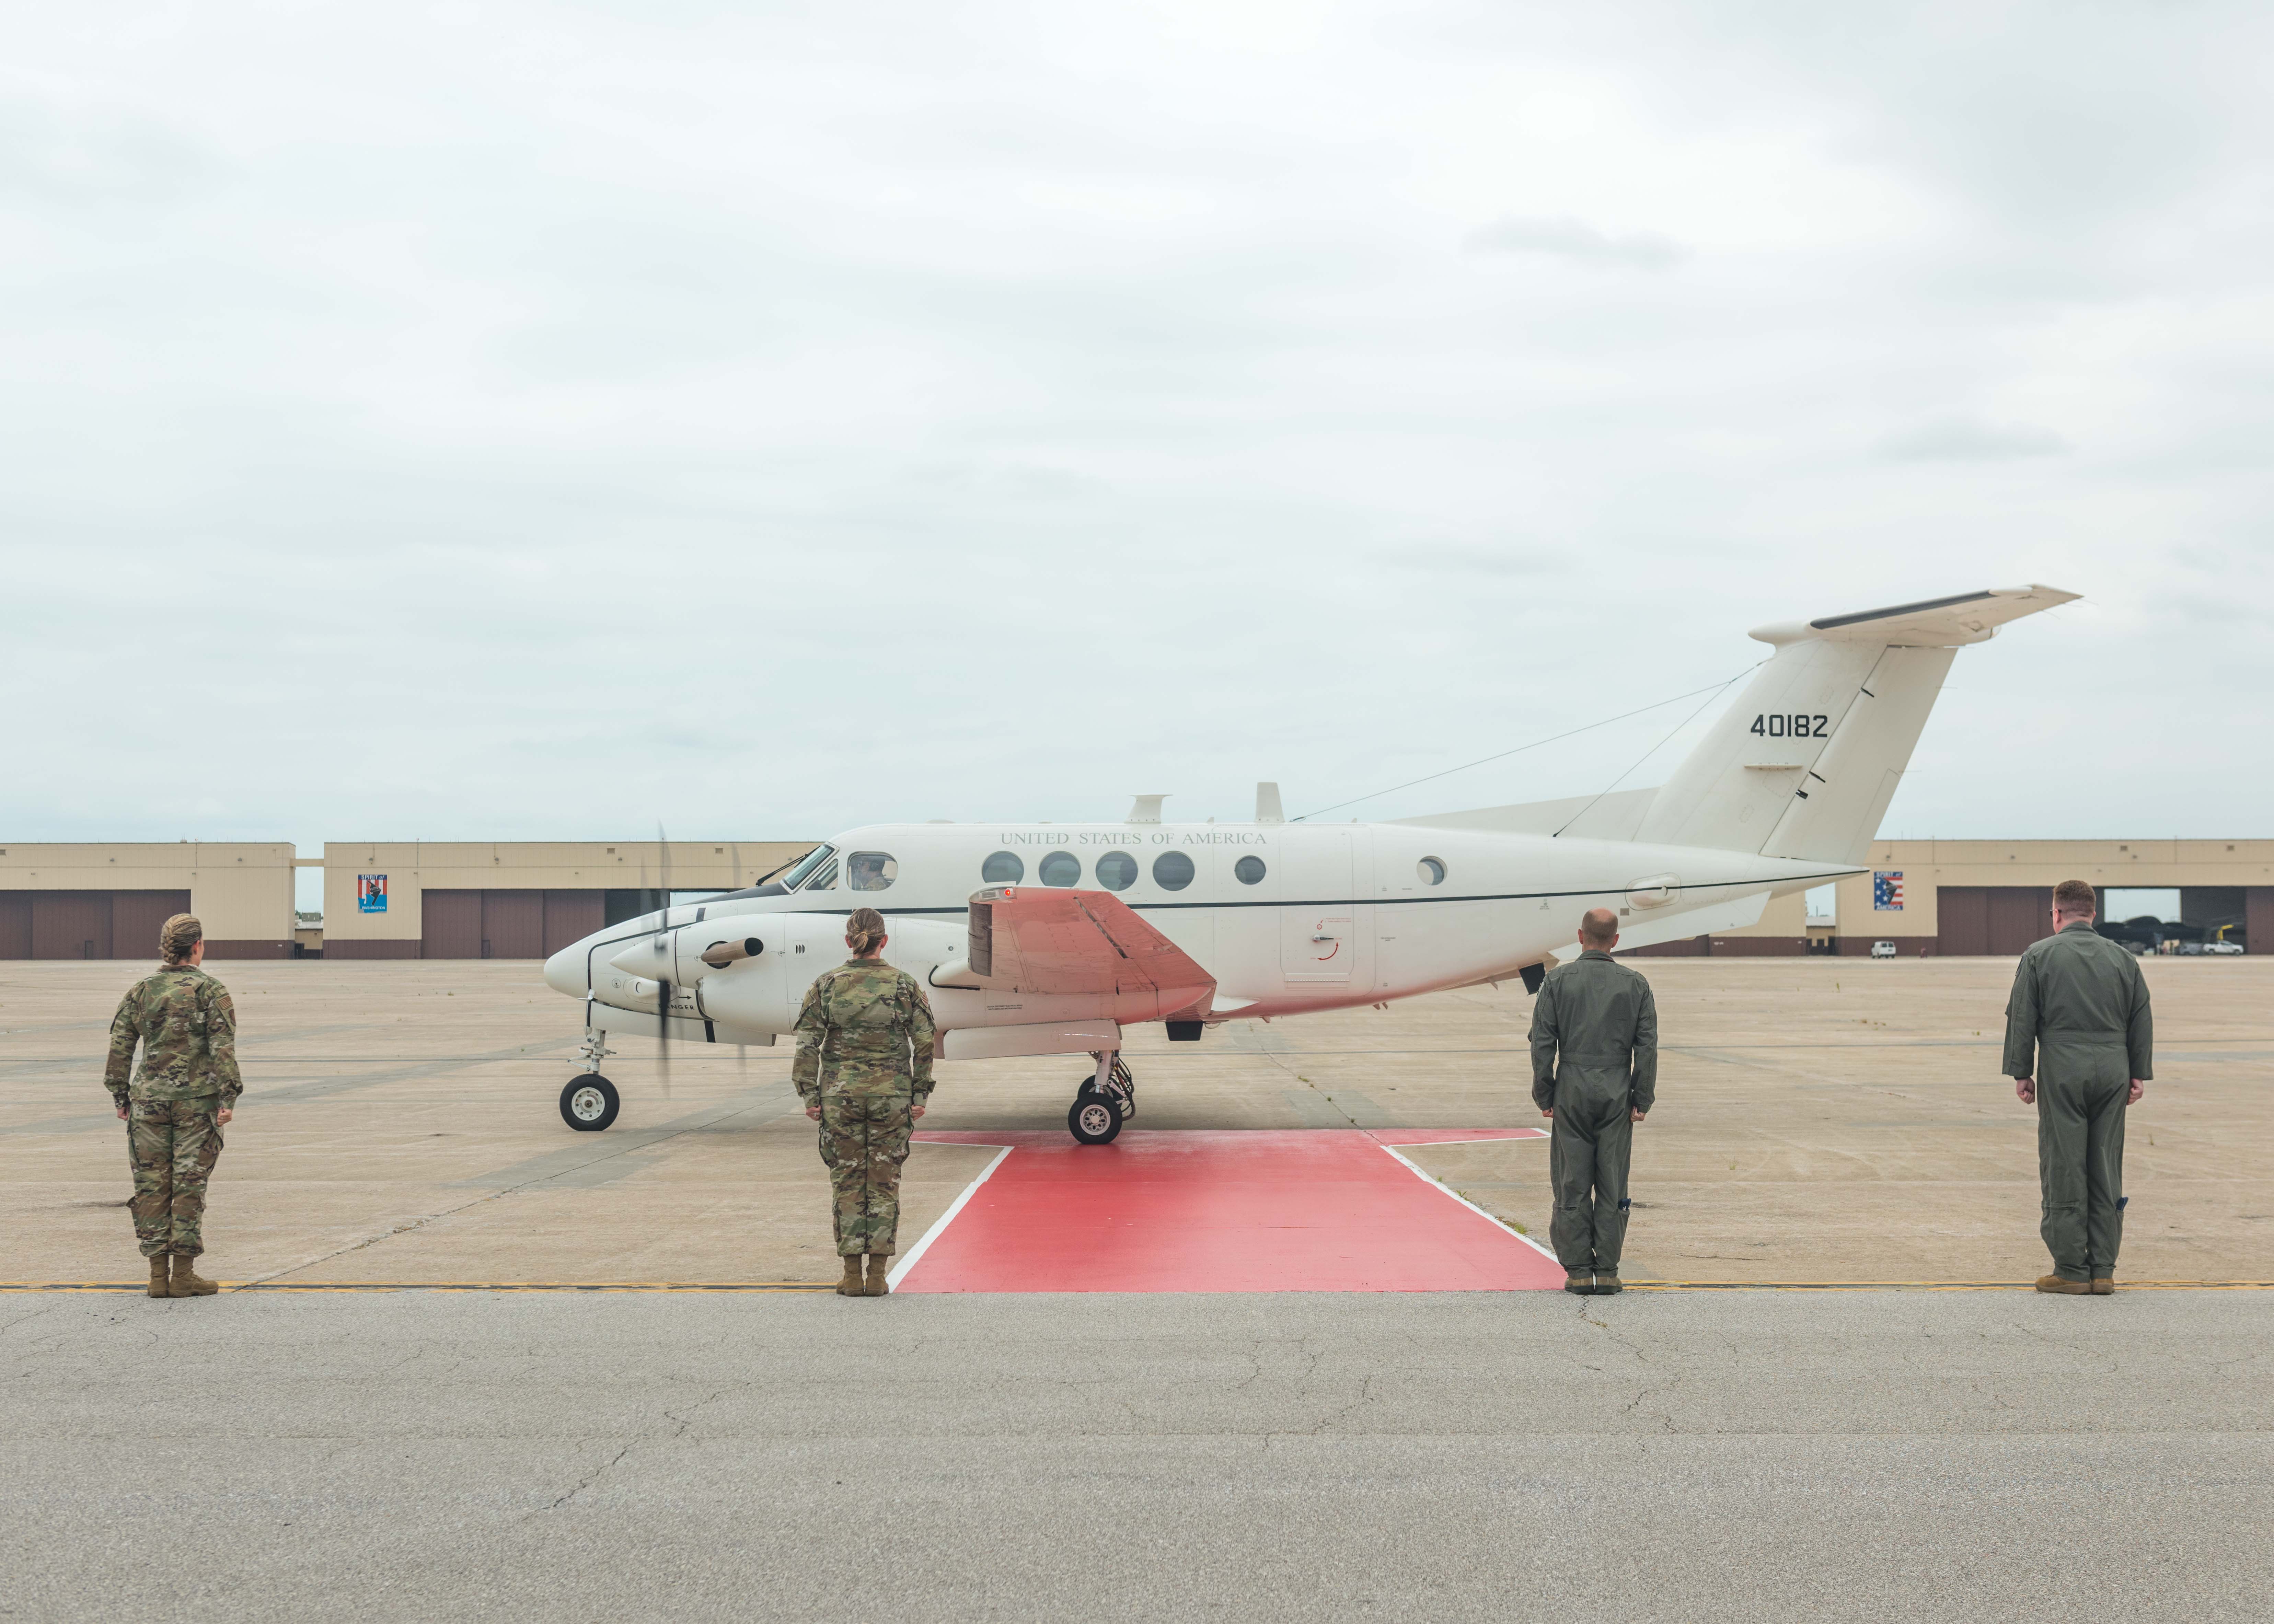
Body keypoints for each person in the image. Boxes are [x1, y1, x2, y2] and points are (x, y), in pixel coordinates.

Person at [2004, 880, 2152, 1295]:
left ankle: (2070, 1268)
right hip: (2114, 1068)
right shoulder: (2124, 959)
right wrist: (2138, 1072)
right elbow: (2141, 1019)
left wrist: (2021, 1072)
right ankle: (2103, 1269)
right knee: (2105, 1163)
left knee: (2064, 1162)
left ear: (2056, 914)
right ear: (2093, 914)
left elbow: (2021, 1018)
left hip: (2062, 1069)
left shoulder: (2038, 955)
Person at [792, 906, 938, 1297]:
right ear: (883, 941)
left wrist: (809, 1094)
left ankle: (852, 1275)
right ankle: (877, 1276)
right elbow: (925, 1040)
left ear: (849, 941)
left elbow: (807, 1042)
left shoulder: (826, 984)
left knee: (847, 1181)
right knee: (884, 1182)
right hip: (892, 1098)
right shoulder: (904, 985)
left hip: (840, 1097)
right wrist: (919, 1093)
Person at [102, 914, 242, 1299]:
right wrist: (228, 1097)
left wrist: (120, 1094)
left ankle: (157, 1276)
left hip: (148, 1103)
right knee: (188, 1185)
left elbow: (120, 1046)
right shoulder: (211, 991)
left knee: (151, 1185)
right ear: (197, 946)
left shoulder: (142, 990)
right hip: (196, 1104)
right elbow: (222, 1048)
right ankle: (183, 1274)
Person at [1529, 907, 1658, 1296]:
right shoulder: (1636, 984)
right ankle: (1607, 1269)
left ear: (1580, 936)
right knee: (1612, 1180)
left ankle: (1579, 1271)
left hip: (1571, 1088)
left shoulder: (1556, 981)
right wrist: (1642, 1098)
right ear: (1615, 940)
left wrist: (1545, 1093)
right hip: (1617, 1089)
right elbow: (1647, 1047)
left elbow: (1542, 1042)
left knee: (1572, 1180)